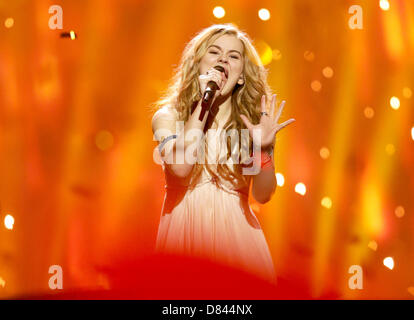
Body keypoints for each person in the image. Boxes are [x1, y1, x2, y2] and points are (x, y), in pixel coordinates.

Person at [151, 24, 295, 284]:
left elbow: (263, 194)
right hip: (185, 236)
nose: (222, 60)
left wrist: (263, 149)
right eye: (214, 52)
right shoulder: (169, 118)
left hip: (240, 242)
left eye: (233, 56)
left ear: (240, 76)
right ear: (198, 65)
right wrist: (204, 102)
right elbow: (181, 167)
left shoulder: (251, 126)